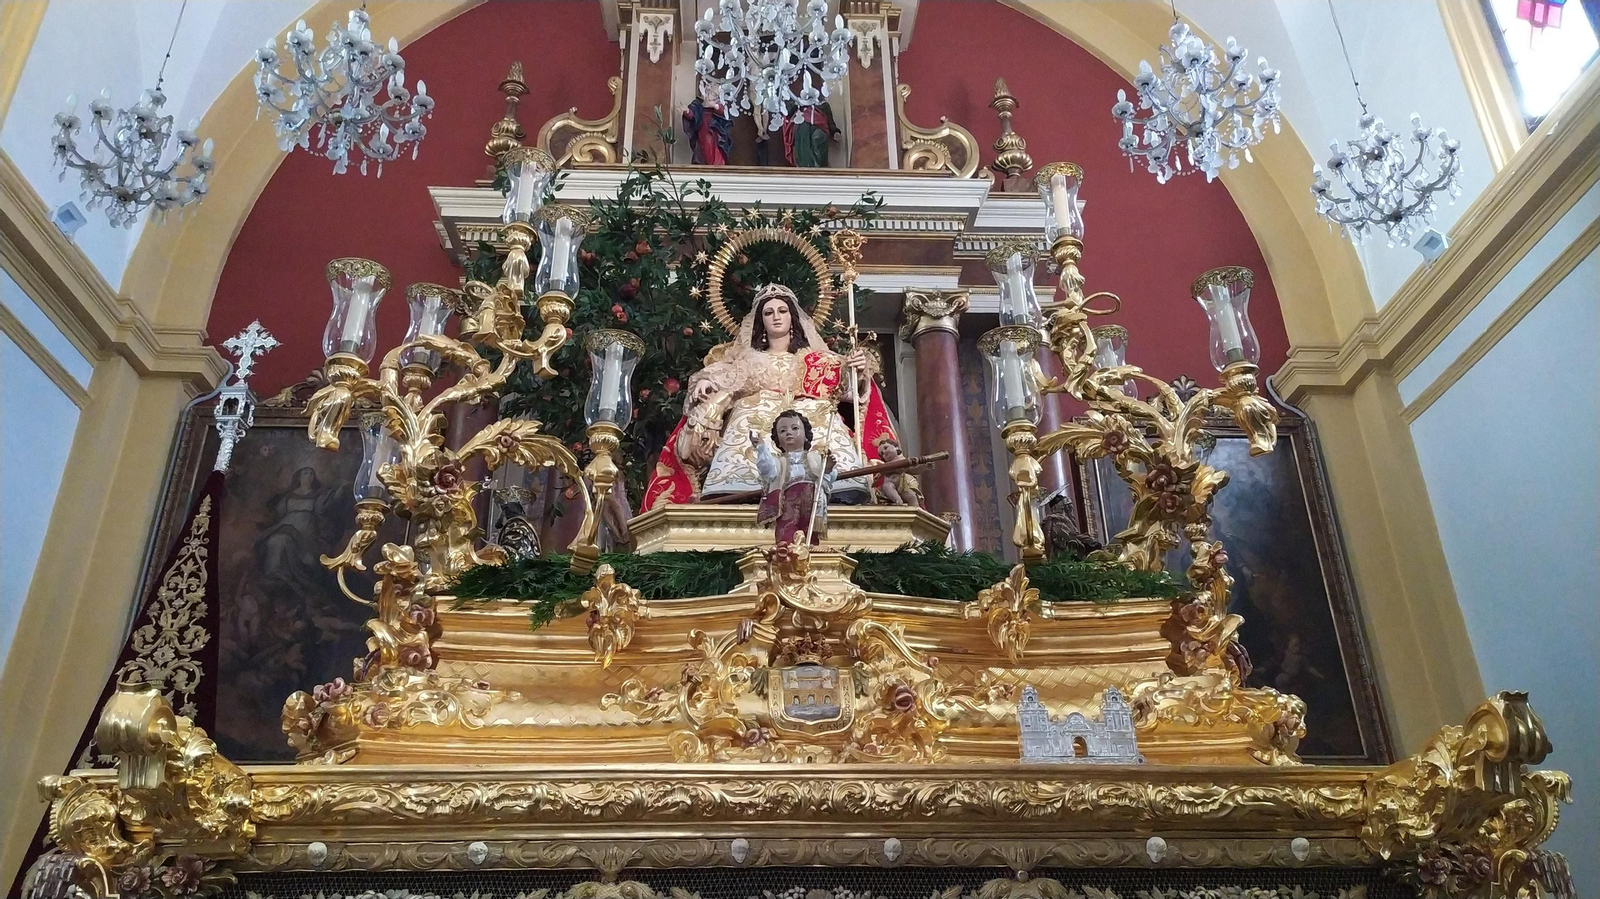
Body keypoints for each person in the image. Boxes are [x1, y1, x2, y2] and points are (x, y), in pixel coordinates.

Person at [643, 283, 898, 508]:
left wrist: (858, 371)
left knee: (821, 415)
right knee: (746, 414)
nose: (776, 317)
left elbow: (848, 392)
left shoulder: (816, 359)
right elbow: (722, 376)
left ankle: (838, 485)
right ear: (760, 321)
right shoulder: (748, 359)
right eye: (768, 312)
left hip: (807, 416)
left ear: (793, 317)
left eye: (782, 311)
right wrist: (706, 383)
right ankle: (740, 486)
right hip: (756, 416)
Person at [751, 410, 837, 546]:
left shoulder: (815, 457)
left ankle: (810, 552)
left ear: (806, 435)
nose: (789, 433)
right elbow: (768, 471)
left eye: (795, 428)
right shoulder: (778, 461)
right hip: (787, 502)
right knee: (786, 531)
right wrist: (761, 447)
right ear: (777, 439)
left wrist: (828, 468)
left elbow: (827, 478)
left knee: (810, 531)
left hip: (812, 500)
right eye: (783, 431)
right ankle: (785, 551)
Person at [682, 79, 732, 166]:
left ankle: (717, 164)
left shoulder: (719, 105)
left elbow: (722, 112)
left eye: (716, 95)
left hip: (715, 131)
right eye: (712, 93)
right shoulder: (698, 104)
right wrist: (687, 112)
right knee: (704, 145)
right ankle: (704, 163)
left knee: (716, 147)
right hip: (703, 130)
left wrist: (713, 104)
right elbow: (693, 115)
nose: (713, 96)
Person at [781, 101, 840, 168]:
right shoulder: (797, 103)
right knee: (802, 142)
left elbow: (830, 120)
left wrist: (835, 131)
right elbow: (787, 112)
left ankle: (820, 167)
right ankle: (805, 166)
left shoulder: (822, 104)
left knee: (819, 137)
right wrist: (797, 104)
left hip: (818, 127)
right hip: (801, 131)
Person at [872, 436, 923, 508]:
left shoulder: (904, 461)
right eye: (882, 453)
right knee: (888, 486)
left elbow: (912, 470)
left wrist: (924, 467)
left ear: (896, 447)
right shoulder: (887, 465)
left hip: (903, 487)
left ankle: (915, 511)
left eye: (886, 448)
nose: (884, 453)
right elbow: (882, 473)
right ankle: (899, 502)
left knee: (911, 495)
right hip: (891, 486)